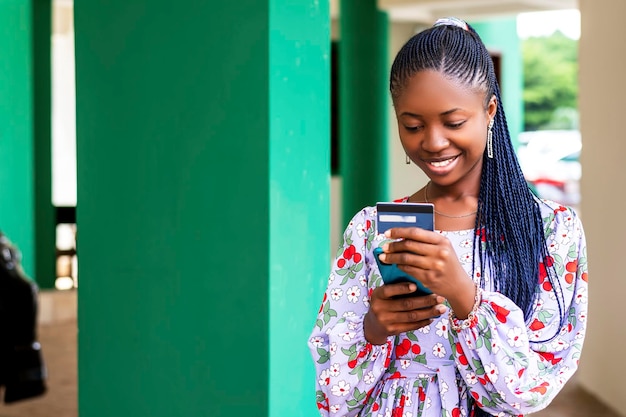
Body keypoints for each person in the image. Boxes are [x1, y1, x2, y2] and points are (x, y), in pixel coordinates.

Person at [308, 17, 588, 417]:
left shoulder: (549, 230)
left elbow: (527, 392)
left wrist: (465, 298)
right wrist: (373, 329)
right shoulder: (369, 228)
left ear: (489, 111)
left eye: (453, 122)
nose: (433, 142)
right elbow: (333, 395)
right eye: (413, 125)